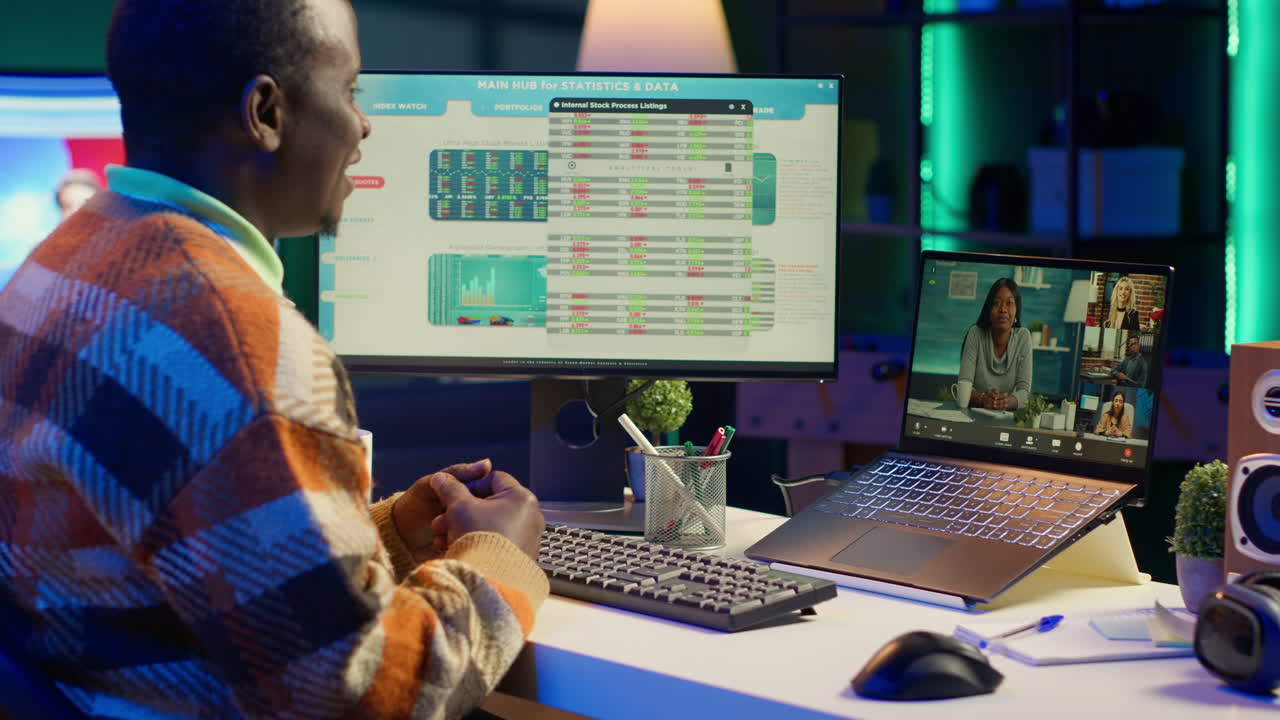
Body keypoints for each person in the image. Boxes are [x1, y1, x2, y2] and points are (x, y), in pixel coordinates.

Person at [0, 1, 547, 718]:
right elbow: (367, 695)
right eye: (348, 90)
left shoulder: (65, 260)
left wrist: (387, 536)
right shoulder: (236, 338)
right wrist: (497, 558)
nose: (363, 125)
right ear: (265, 112)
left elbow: (162, 553)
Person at [958, 277, 1032, 411]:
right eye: (997, 303)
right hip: (972, 415)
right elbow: (964, 384)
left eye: (1009, 303)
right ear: (989, 310)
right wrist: (982, 398)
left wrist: (1006, 402)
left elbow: (1024, 392)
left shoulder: (1023, 337)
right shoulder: (975, 333)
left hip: (1005, 417)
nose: (1003, 309)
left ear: (1016, 312)